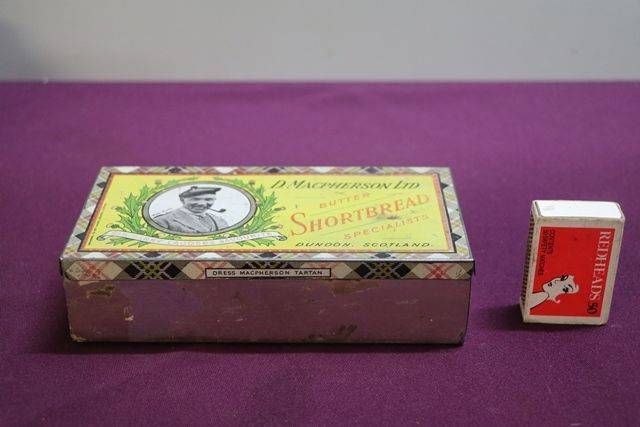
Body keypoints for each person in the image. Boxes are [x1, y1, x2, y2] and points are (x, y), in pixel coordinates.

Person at [153, 186, 229, 234]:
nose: (202, 203)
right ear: (182, 200)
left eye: (208, 199)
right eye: (195, 199)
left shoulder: (220, 220)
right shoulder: (162, 221)